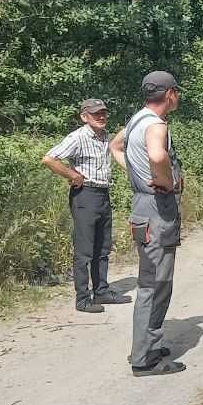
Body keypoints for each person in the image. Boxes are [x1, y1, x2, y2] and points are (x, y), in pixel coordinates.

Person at [110, 71, 186, 377]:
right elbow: (157, 155)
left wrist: (137, 176)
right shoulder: (155, 125)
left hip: (143, 206)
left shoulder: (135, 120)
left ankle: (150, 343)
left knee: (154, 281)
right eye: (176, 92)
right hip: (156, 209)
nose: (177, 96)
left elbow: (116, 147)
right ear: (168, 94)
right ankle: (144, 359)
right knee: (155, 284)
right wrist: (166, 181)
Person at [42, 99, 132, 313]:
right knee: (84, 250)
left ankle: (101, 290)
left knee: (102, 246)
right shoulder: (78, 137)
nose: (101, 117)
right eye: (95, 114)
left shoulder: (105, 137)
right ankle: (83, 298)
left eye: (103, 113)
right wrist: (72, 174)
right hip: (85, 195)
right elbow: (49, 159)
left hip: (102, 193)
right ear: (85, 116)